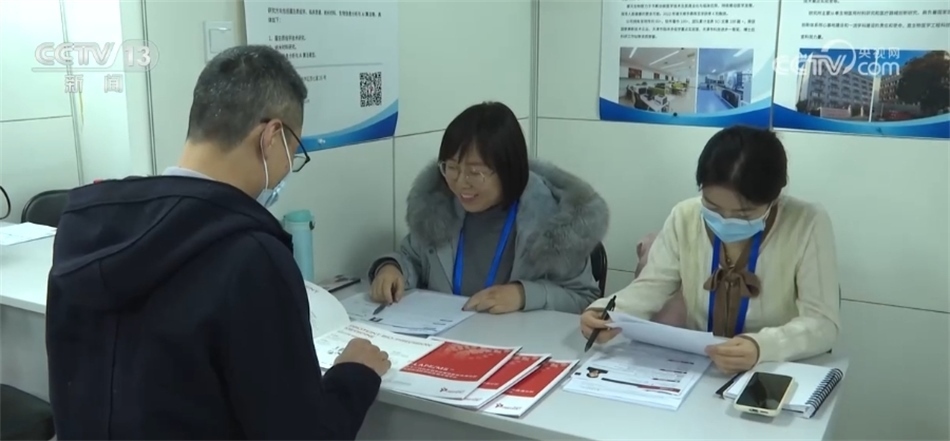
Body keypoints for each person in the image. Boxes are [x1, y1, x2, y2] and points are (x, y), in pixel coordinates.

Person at [46, 45, 390, 439]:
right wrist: (353, 376)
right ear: (271, 136)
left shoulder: (85, 228)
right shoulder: (252, 256)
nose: (285, 170)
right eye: (293, 153)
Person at [581, 126, 840, 373]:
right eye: (712, 207)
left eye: (744, 214)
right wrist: (607, 312)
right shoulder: (686, 216)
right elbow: (651, 287)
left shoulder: (806, 222)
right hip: (700, 366)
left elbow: (822, 322)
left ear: (774, 197)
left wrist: (762, 346)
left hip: (773, 368)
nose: (725, 220)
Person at [368, 102, 608, 314]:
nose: (461, 182)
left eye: (475, 172)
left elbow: (584, 299)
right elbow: (413, 259)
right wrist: (391, 268)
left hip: (517, 343)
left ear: (508, 170)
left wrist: (524, 295)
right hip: (443, 339)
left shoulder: (553, 223)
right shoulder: (439, 208)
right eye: (452, 167)